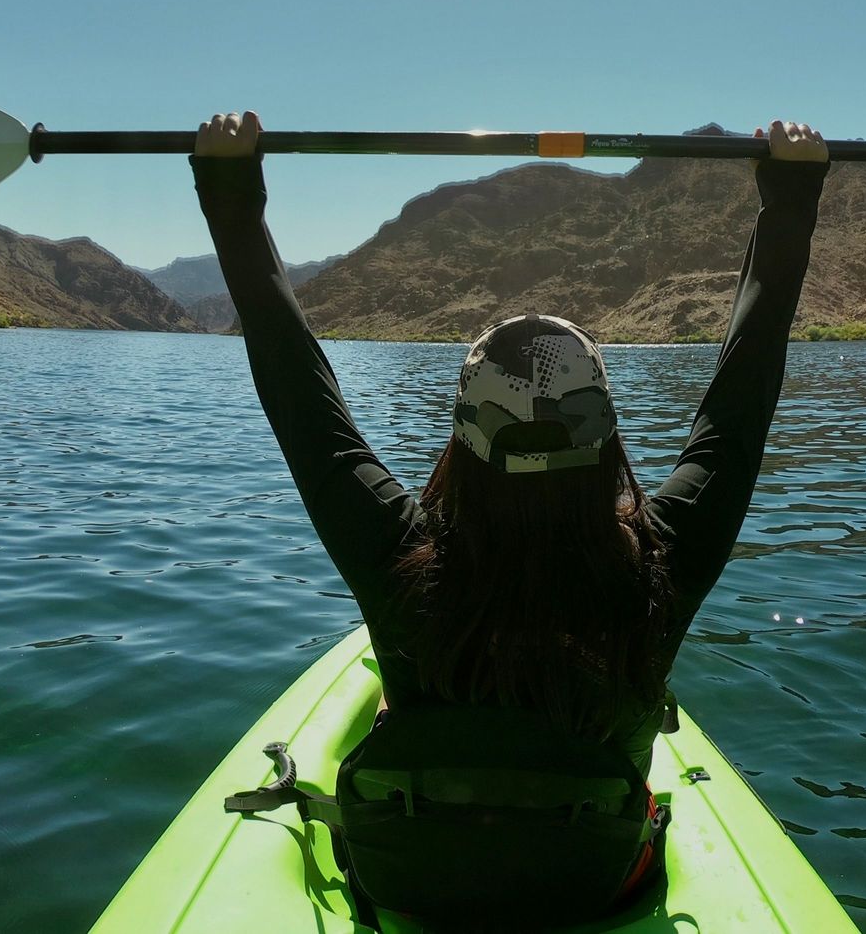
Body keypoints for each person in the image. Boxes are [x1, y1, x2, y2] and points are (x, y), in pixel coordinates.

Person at [192, 112, 828, 923]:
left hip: (406, 883)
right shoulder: (663, 560)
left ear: (464, 437)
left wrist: (230, 192)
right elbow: (744, 387)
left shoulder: (396, 555)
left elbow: (294, 379)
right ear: (605, 435)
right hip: (592, 883)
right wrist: (792, 196)